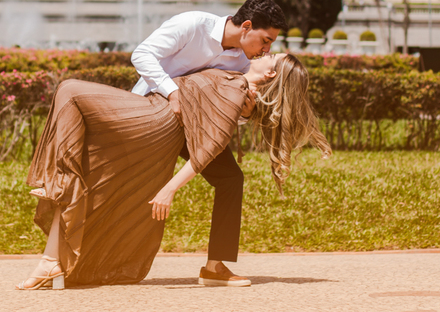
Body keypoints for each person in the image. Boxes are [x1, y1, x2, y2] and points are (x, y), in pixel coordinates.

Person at [17, 52, 330, 290]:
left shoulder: (238, 88)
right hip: (160, 115)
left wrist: (169, 189)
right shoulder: (237, 76)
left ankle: (56, 182)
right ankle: (52, 253)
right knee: (78, 120)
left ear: (271, 72)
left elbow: (210, 146)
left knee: (70, 90)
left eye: (270, 55)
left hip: (155, 118)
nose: (263, 52)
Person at [130, 0, 286, 286]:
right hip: (152, 115)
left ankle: (215, 267)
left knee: (230, 179)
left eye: (271, 44)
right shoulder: (192, 25)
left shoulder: (242, 61)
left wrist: (244, 113)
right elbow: (141, 54)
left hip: (193, 129)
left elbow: (224, 109)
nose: (267, 49)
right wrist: (171, 91)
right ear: (247, 26)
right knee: (128, 187)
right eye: (266, 40)